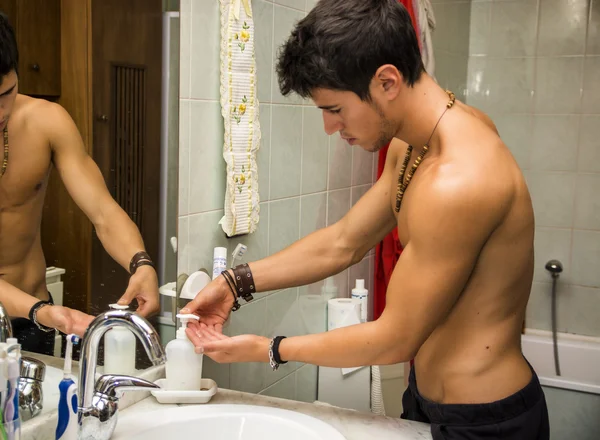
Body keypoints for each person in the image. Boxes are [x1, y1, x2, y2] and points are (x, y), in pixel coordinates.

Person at [181, 0, 549, 438]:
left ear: (387, 81)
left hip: (489, 421)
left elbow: (396, 338)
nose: (330, 128)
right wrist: (233, 284)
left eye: (334, 109)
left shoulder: (460, 179)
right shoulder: (413, 144)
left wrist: (271, 349)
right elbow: (344, 242)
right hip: (426, 400)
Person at [0, 12, 160, 355]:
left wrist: (141, 262)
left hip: (33, 322)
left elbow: (102, 211)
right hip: (39, 311)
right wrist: (42, 311)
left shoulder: (46, 122)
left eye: (6, 93)